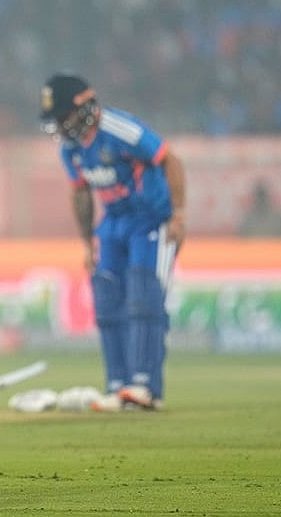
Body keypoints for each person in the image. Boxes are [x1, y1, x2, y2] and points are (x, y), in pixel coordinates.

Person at [38, 73, 187, 412]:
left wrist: (178, 215)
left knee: (144, 297)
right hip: (114, 224)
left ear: (84, 106)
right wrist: (87, 242)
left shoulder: (121, 130)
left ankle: (145, 387)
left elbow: (169, 159)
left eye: (64, 116)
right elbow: (80, 193)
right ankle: (118, 384)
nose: (61, 126)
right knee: (106, 300)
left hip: (151, 220)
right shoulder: (70, 148)